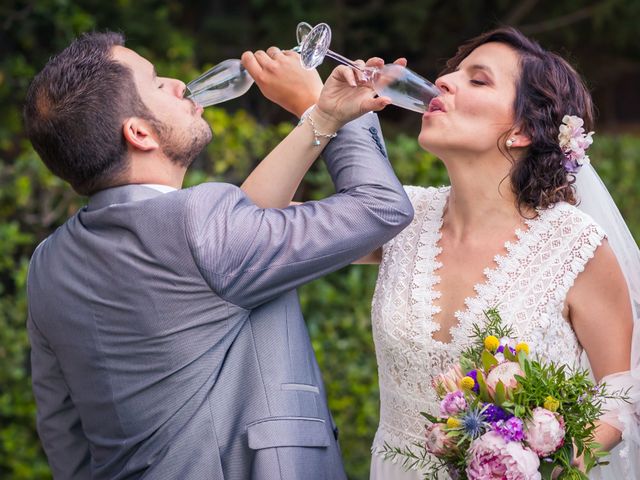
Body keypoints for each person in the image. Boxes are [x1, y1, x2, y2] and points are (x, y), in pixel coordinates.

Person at [243, 27, 640, 479]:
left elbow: (620, 392)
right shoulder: (399, 217)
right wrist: (322, 117)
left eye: (478, 80)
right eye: (452, 72)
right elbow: (251, 229)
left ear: (522, 131)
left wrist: (539, 464)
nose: (445, 81)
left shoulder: (576, 246)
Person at [23, 31, 413, 479]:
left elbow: (61, 428)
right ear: (139, 133)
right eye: (155, 83)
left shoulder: (47, 263)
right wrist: (345, 111)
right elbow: (379, 206)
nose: (175, 83)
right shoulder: (198, 223)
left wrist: (322, 115)